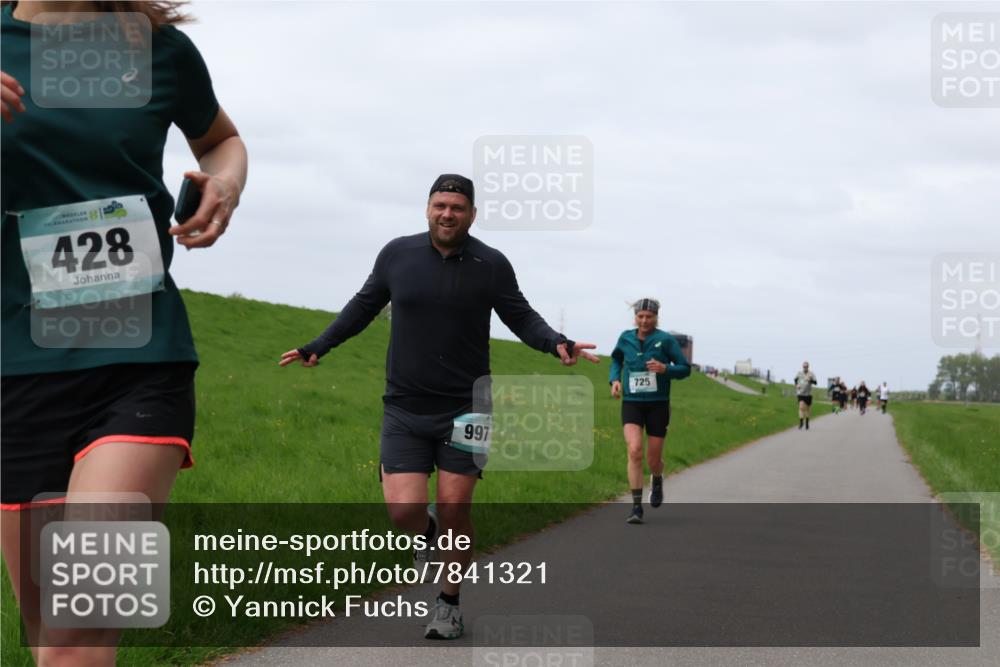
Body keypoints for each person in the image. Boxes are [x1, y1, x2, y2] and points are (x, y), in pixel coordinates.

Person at [1, 1, 247, 664]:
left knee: (81, 628)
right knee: (53, 647)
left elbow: (221, 138)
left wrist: (224, 182)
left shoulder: (156, 50)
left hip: (140, 354)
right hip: (15, 367)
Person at [280, 174, 598, 640]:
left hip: (469, 408)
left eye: (457, 207)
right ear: (427, 208)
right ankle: (428, 538)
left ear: (472, 213)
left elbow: (521, 315)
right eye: (440, 205)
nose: (447, 213)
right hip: (404, 406)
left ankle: (449, 603)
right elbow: (362, 306)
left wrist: (556, 342)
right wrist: (318, 346)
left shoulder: (491, 264)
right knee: (404, 513)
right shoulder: (397, 255)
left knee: (455, 506)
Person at [608, 299, 691, 524]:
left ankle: (656, 478)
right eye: (640, 316)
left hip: (658, 404)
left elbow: (685, 369)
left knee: (653, 459)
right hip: (632, 402)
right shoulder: (625, 338)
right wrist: (614, 379)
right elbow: (616, 359)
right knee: (634, 450)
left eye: (649, 317)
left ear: (656, 317)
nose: (644, 320)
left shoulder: (665, 340)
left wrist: (666, 369)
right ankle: (636, 507)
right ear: (635, 317)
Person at [794, 361, 818, 429]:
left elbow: (816, 382)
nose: (805, 368)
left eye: (806, 366)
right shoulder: (799, 373)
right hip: (800, 393)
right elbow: (795, 379)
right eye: (804, 366)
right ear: (802, 367)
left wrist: (810, 380)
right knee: (801, 407)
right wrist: (797, 385)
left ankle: (807, 422)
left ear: (808, 367)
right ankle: (801, 422)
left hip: (808, 394)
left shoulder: (811, 374)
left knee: (807, 410)